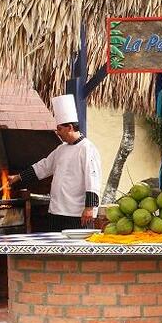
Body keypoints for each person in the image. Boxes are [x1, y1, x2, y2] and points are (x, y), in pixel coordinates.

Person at [8, 94, 102, 231]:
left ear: (70, 127)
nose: (57, 132)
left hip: (77, 214)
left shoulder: (87, 149)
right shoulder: (61, 149)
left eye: (60, 129)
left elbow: (93, 180)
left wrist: (89, 208)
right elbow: (44, 166)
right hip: (57, 212)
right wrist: (18, 177)